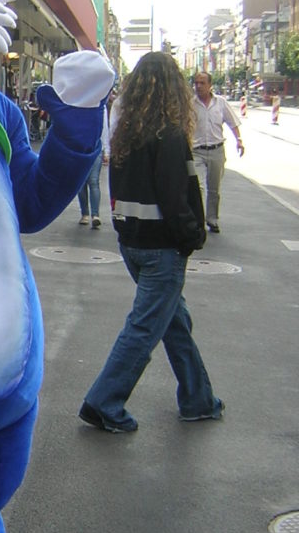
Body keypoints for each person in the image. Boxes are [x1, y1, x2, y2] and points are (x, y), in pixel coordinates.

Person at [79, 52, 224, 433]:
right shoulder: (170, 134)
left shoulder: (126, 131)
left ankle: (198, 399)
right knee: (145, 328)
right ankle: (103, 402)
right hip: (163, 247)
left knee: (173, 321)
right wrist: (193, 236)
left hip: (133, 242)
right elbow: (177, 198)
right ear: (173, 88)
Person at [192, 71, 244, 233]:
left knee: (214, 189)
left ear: (210, 85)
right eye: (196, 83)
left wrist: (239, 140)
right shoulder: (190, 104)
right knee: (198, 187)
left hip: (216, 150)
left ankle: (212, 220)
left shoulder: (220, 103)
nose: (198, 86)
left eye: (202, 83)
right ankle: (198, 221)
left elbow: (232, 122)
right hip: (196, 152)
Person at [77, 105, 111, 228]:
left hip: (96, 146)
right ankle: (85, 213)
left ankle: (95, 215)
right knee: (81, 183)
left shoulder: (101, 107)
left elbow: (105, 129)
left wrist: (106, 150)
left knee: (93, 181)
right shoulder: (79, 104)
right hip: (80, 147)